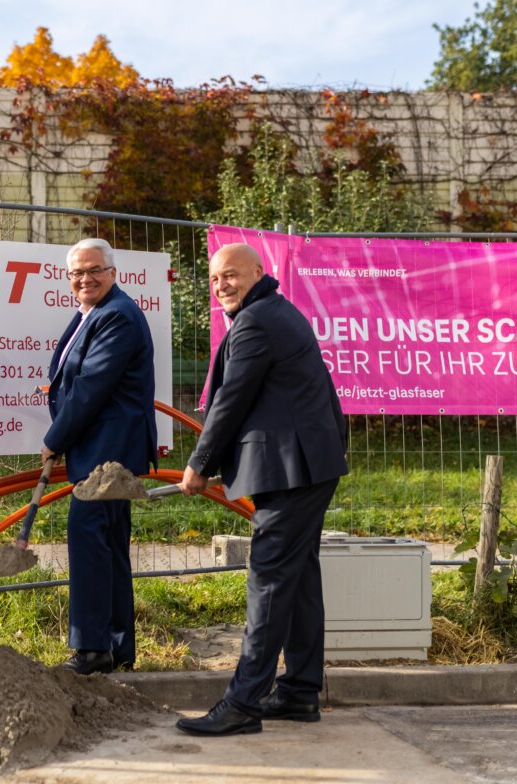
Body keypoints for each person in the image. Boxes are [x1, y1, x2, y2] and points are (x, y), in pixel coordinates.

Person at [175, 242, 348, 737]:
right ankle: (298, 692)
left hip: (292, 471)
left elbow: (231, 400)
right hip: (307, 465)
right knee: (298, 578)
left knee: (269, 578)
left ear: (258, 272)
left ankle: (243, 703)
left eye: (231, 275)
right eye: (214, 279)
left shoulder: (256, 322)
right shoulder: (273, 311)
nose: (221, 284)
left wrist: (199, 464)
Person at [42, 237, 158, 675]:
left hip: (108, 453)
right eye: (76, 273)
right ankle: (116, 647)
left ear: (113, 273)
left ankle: (91, 650)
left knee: (89, 541)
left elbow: (92, 387)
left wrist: (54, 438)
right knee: (107, 545)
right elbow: (76, 378)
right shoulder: (92, 313)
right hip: (101, 448)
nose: (84, 279)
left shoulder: (118, 316)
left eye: (93, 270)